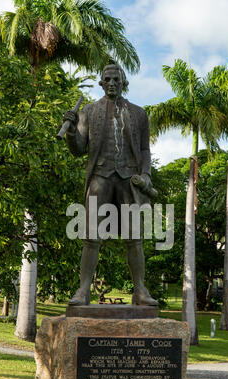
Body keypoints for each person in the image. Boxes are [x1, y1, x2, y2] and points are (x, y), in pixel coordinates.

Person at [64, 63, 157, 306]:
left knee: (134, 237)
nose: (112, 83)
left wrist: (146, 174)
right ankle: (83, 290)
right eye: (107, 79)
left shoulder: (139, 113)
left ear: (123, 82)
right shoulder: (88, 112)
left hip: (129, 180)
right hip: (100, 178)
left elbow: (145, 149)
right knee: (91, 236)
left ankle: (140, 291)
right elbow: (78, 150)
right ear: (102, 83)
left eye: (116, 79)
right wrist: (72, 132)